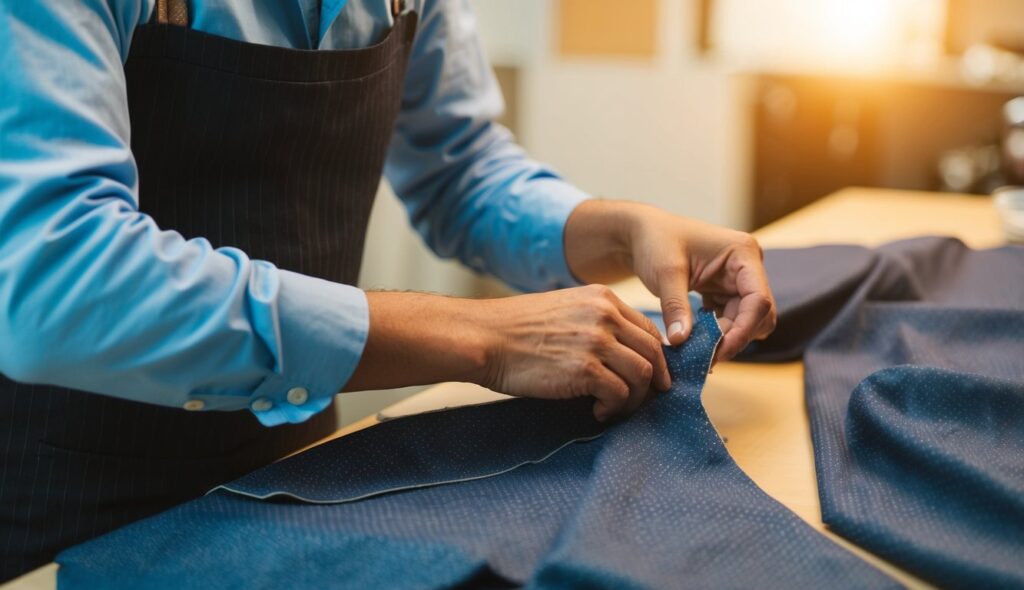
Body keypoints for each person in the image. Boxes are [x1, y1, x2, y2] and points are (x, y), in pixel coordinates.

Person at [0, 0, 776, 580]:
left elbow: (461, 170)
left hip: (294, 482)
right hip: (60, 520)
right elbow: (56, 281)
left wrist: (620, 230)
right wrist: (480, 338)